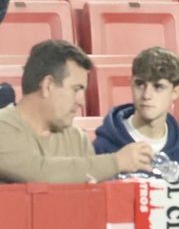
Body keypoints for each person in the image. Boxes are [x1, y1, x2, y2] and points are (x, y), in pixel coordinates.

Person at [0, 40, 151, 183]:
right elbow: (38, 172)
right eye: (76, 89)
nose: (81, 101)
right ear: (48, 86)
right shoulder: (3, 127)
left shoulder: (77, 138)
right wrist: (116, 162)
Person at [91, 47, 179, 173]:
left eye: (158, 87)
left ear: (176, 92)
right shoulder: (103, 147)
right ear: (131, 84)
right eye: (140, 84)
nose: (146, 95)